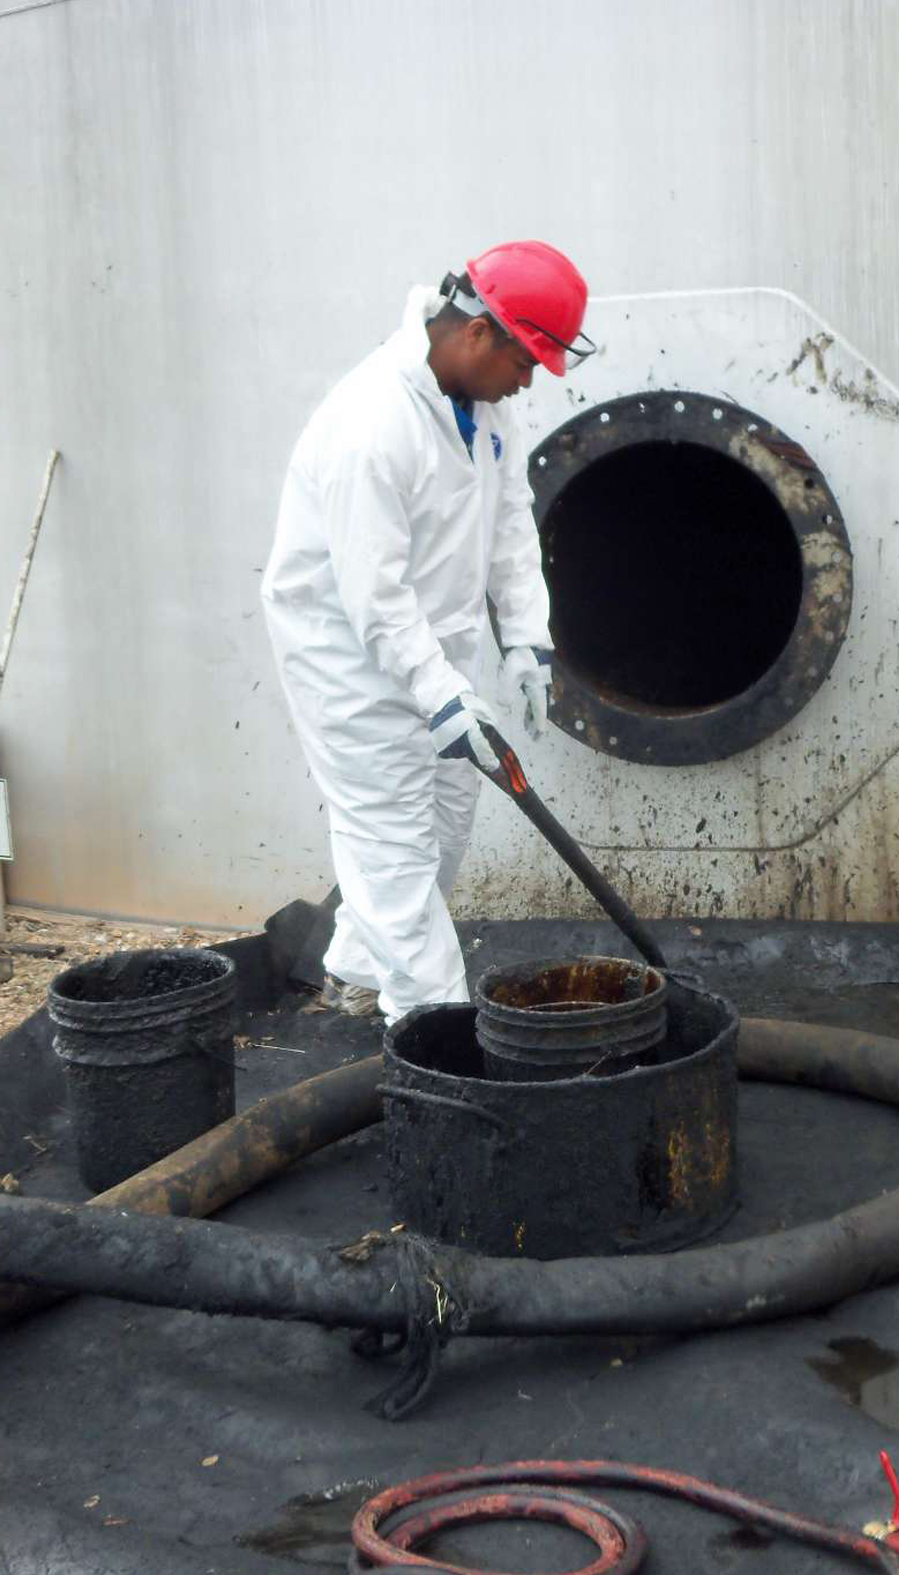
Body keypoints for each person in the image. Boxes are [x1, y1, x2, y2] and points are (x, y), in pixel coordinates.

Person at [261, 242, 594, 1022]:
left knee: (444, 826)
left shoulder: (488, 406)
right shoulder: (370, 425)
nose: (530, 379)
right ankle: (434, 1036)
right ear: (479, 334)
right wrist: (438, 692)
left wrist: (524, 638)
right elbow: (372, 597)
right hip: (348, 659)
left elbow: (510, 523)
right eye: (528, 360)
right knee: (395, 848)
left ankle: (354, 969)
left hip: (435, 651)